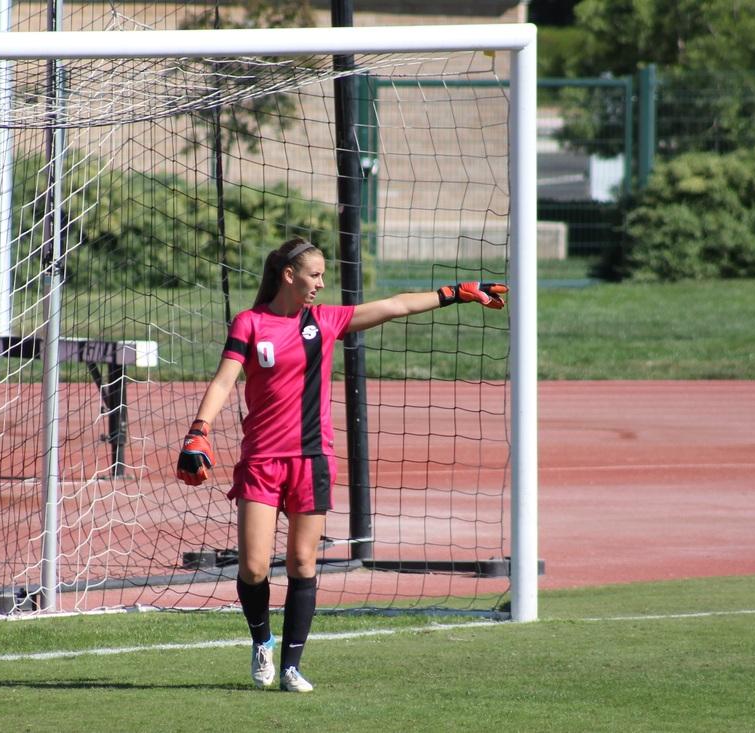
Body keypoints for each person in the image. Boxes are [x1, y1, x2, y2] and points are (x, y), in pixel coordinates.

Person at [175, 236, 507, 693]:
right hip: (262, 460)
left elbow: (394, 305)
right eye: (314, 275)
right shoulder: (250, 323)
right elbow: (223, 380)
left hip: (313, 459)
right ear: (289, 276)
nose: (321, 283)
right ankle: (261, 642)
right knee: (253, 568)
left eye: (323, 275)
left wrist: (451, 293)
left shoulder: (325, 321)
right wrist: (199, 429)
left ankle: (292, 666)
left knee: (301, 562)